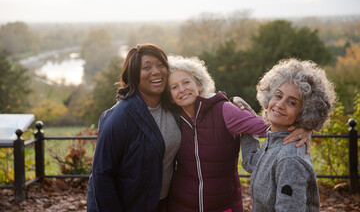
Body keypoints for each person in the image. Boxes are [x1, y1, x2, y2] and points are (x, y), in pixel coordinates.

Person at [166, 56, 312, 212]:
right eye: (174, 87)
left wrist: (305, 126)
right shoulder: (171, 117)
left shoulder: (224, 110)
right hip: (180, 206)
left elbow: (272, 123)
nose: (181, 89)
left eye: (186, 82)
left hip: (224, 206)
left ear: (199, 84)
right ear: (170, 96)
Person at [87, 43, 181, 212]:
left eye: (161, 65)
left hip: (163, 203)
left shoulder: (173, 106)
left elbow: (199, 99)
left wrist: (230, 102)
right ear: (134, 75)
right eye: (147, 67)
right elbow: (102, 175)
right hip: (129, 206)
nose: (156, 71)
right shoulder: (120, 116)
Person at [241, 58, 337, 211]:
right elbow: (252, 162)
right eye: (278, 95)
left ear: (304, 113)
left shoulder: (289, 158)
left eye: (292, 102)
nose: (279, 105)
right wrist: (246, 120)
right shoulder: (276, 141)